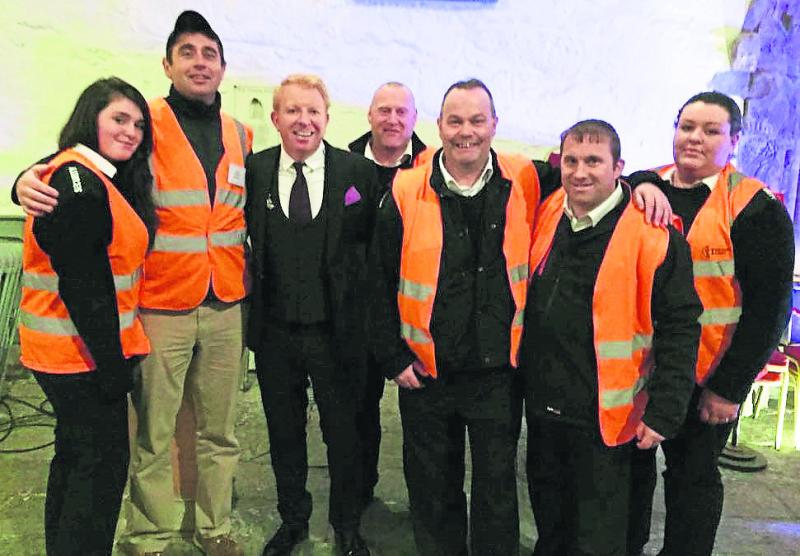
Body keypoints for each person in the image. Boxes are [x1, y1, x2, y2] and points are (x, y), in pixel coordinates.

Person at [14, 11, 253, 556]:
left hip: (224, 306)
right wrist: (27, 177)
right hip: (162, 304)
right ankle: (150, 535)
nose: (199, 62)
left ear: (222, 67)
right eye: (187, 53)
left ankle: (214, 528)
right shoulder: (145, 123)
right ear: (167, 64)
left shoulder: (241, 133)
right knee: (153, 434)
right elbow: (84, 157)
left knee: (220, 432)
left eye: (209, 54)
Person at [370, 78, 546, 556]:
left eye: (476, 120)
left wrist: (646, 185)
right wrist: (393, 355)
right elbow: (376, 278)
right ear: (439, 126)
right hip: (426, 373)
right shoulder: (408, 188)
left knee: (496, 492)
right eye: (455, 121)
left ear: (494, 124)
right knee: (431, 489)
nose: (465, 132)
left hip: (497, 375)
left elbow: (590, 176)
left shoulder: (524, 178)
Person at [522, 119, 702, 556]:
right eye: (571, 161)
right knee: (552, 527)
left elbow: (681, 327)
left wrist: (665, 413)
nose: (580, 172)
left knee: (600, 538)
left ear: (618, 166)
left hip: (608, 421)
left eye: (594, 162)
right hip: (546, 412)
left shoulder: (653, 234)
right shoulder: (550, 212)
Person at [626, 92, 794, 556]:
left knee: (691, 481)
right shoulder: (642, 189)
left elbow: (769, 312)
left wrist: (729, 387)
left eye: (711, 130)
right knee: (628, 478)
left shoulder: (755, 210)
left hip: (705, 379)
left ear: (734, 141)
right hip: (638, 373)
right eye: (687, 127)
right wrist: (639, 180)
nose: (694, 138)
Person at [18, 77, 157, 555]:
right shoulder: (78, 184)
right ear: (89, 118)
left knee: (75, 461)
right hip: (79, 356)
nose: (131, 131)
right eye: (119, 119)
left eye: (139, 124)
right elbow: (86, 288)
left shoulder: (83, 174)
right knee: (98, 477)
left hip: (68, 353)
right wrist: (113, 368)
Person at [245, 73, 378, 556]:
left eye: (313, 112)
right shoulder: (255, 170)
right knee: (283, 432)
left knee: (344, 433)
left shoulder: (356, 175)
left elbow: (370, 250)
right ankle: (293, 520)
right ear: (276, 118)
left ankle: (347, 524)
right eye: (293, 111)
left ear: (326, 118)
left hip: (336, 333)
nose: (304, 121)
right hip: (276, 331)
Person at [347, 81, 428, 507]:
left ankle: (426, 507)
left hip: (417, 317)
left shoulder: (433, 168)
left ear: (415, 119)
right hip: (360, 314)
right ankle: (360, 493)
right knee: (359, 412)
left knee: (424, 424)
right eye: (384, 111)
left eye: (401, 112)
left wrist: (639, 181)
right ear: (370, 115)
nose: (392, 119)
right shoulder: (341, 164)